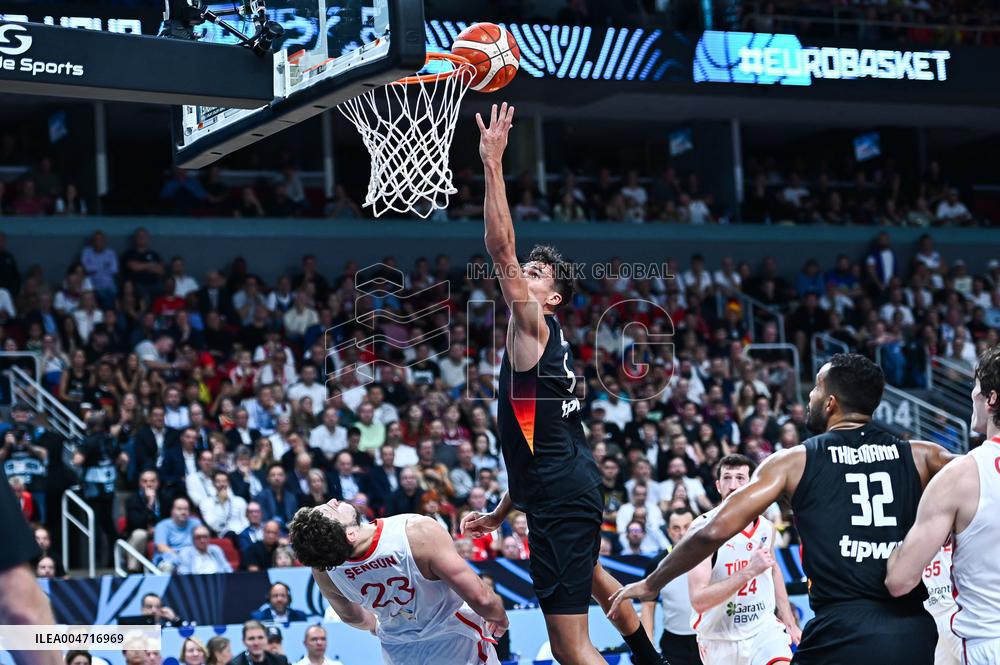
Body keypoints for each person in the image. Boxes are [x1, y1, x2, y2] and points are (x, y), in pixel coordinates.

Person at [460, 102, 665, 665]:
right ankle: (650, 658)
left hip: (561, 495)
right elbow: (536, 440)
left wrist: (493, 164)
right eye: (525, 269)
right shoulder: (550, 344)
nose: (521, 272)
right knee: (594, 577)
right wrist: (503, 512)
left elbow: (499, 247)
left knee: (568, 648)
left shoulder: (532, 326)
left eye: (535, 273)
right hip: (562, 488)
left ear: (551, 298)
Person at [610, 353, 955, 665]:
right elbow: (985, 484)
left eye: (817, 387)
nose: (811, 395)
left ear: (831, 402)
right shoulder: (924, 455)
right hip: (913, 634)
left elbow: (714, 529)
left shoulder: (794, 461)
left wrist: (653, 582)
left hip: (842, 633)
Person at [288, 497, 508, 665]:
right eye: (331, 509)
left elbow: (351, 616)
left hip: (398, 649)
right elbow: (482, 599)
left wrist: (378, 625)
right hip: (456, 639)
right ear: (350, 535)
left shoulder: (324, 569)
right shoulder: (415, 531)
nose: (333, 500)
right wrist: (500, 618)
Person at [886, 344, 1000, 663]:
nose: (972, 397)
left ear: (991, 398)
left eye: (976, 389)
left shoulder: (961, 475)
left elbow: (900, 580)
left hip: (987, 644)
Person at [687, 454, 798, 665]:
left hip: (763, 631)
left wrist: (789, 621)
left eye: (740, 478)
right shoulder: (702, 530)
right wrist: (748, 571)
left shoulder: (766, 527)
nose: (733, 485)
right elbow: (699, 600)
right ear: (718, 486)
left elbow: (773, 570)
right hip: (718, 638)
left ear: (752, 486)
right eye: (727, 478)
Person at [641, 508, 699, 665]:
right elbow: (647, 606)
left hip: (707, 639)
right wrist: (648, 648)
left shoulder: (711, 557)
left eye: (687, 526)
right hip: (673, 644)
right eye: (676, 528)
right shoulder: (656, 564)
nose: (682, 532)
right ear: (668, 531)